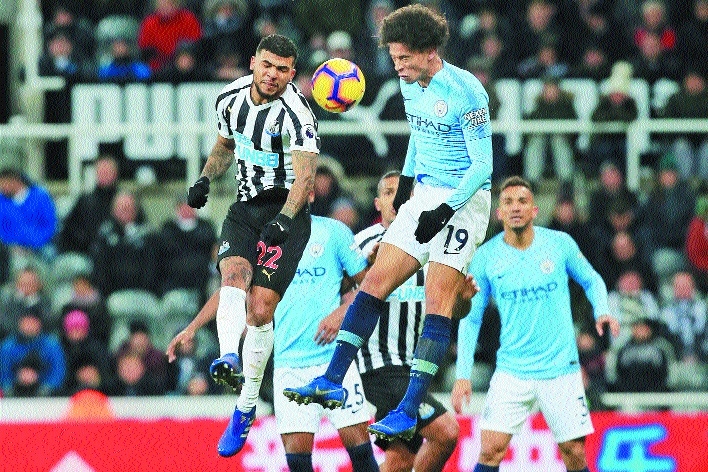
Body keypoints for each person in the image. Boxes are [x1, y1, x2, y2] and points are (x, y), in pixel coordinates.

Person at [283, 3, 492, 442]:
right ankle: (331, 379)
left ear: (429, 51)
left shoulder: (467, 91)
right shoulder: (408, 82)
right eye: (394, 57)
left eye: (403, 57)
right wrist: (408, 185)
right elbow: (419, 133)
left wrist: (444, 210)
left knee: (437, 301)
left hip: (465, 201)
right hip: (425, 193)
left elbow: (482, 167)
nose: (397, 66)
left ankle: (409, 410)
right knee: (376, 281)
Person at [185, 33, 320, 456]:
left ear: (292, 74)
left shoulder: (298, 114)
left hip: (287, 213)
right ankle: (229, 357)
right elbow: (225, 146)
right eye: (266, 65)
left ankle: (245, 407)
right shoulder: (229, 99)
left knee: (260, 309)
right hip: (245, 207)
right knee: (233, 276)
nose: (272, 75)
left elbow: (306, 179)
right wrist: (205, 178)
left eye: (282, 69)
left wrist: (285, 219)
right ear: (253, 63)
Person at [166, 215, 379, 470]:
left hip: (335, 362)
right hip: (289, 366)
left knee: (362, 454)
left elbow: (370, 284)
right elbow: (232, 290)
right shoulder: (266, 239)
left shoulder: (333, 232)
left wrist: (341, 312)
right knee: (298, 463)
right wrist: (192, 327)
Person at [451, 176, 619, 472]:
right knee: (490, 450)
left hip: (560, 369)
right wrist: (463, 374)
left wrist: (602, 309)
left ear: (535, 210)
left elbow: (591, 279)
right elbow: (472, 317)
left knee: (574, 453)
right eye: (508, 202)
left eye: (522, 201)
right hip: (512, 371)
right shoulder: (486, 257)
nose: (515, 207)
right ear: (499, 212)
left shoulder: (559, 244)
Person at [351, 171, 462, 471]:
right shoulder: (363, 243)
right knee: (446, 432)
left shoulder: (432, 246)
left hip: (413, 367)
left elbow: (456, 311)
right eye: (388, 193)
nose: (396, 200)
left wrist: (463, 296)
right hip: (378, 366)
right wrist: (366, 268)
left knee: (400, 458)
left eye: (403, 192)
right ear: (378, 203)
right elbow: (343, 290)